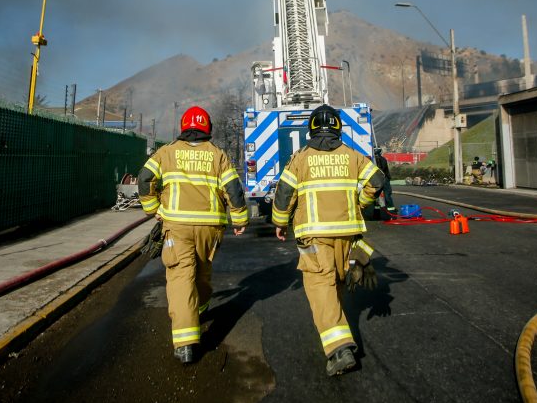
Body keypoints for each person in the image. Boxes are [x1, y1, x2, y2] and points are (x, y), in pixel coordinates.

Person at [271, 104, 385, 376]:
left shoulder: (300, 158)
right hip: (347, 234)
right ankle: (337, 324)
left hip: (315, 235)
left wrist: (279, 222)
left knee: (320, 284)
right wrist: (362, 201)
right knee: (337, 280)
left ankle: (339, 347)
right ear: (338, 128)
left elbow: (284, 194)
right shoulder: (352, 156)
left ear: (310, 129)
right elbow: (377, 179)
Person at [138, 105, 248, 365]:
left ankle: (186, 343)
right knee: (202, 272)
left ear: (183, 128)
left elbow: (144, 179)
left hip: (177, 227)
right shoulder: (218, 155)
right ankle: (199, 308)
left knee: (179, 278)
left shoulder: (166, 152)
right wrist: (240, 218)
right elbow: (233, 189)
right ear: (207, 128)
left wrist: (153, 208)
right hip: (210, 229)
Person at [372, 147, 396, 218]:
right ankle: (391, 214)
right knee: (386, 196)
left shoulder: (376, 160)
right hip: (383, 179)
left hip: (380, 179)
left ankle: (377, 214)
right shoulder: (382, 159)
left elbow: (381, 169)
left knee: (377, 197)